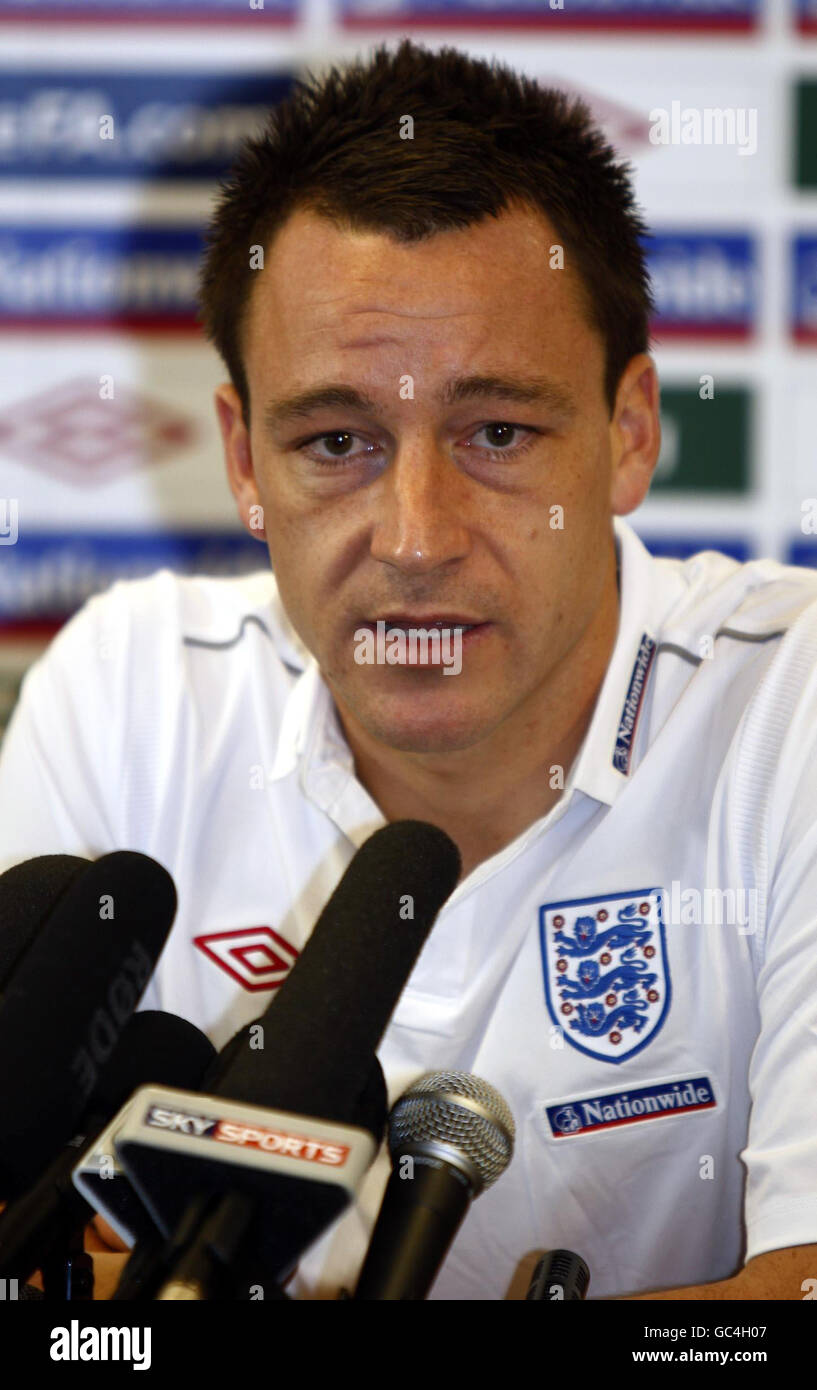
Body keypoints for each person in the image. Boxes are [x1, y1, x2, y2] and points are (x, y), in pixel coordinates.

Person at [1, 38, 816, 1301]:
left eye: (497, 431)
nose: (417, 538)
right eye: (337, 439)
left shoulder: (790, 702)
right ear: (240, 460)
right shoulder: (127, 695)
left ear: (629, 433)